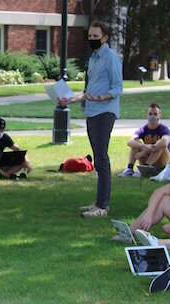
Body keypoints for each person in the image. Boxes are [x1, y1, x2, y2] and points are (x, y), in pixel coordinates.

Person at [60, 21, 123, 218]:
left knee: (102, 158)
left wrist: (102, 97)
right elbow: (89, 92)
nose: (91, 40)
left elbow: (117, 88)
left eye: (95, 37)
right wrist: (69, 100)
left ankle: (102, 207)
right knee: (97, 159)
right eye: (89, 36)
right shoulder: (93, 58)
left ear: (105, 38)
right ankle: (98, 202)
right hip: (92, 112)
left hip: (105, 113)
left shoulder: (111, 58)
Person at [118, 104, 169, 177]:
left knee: (159, 145)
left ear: (160, 116)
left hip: (161, 161)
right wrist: (142, 145)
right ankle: (129, 169)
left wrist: (145, 150)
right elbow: (130, 141)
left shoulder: (164, 129)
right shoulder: (143, 129)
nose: (152, 116)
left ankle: (145, 168)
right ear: (147, 116)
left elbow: (165, 142)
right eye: (150, 114)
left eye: (155, 114)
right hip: (147, 158)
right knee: (136, 143)